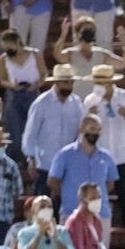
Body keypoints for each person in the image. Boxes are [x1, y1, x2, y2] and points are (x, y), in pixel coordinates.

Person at [82, 64, 125, 231]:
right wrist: (89, 115)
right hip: (98, 158)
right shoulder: (90, 101)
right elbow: (83, 130)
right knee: (95, 198)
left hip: (122, 156)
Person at [48, 114, 119, 237]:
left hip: (101, 214)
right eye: (92, 129)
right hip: (71, 212)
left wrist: (93, 196)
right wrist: (68, 194)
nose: (95, 133)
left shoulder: (106, 156)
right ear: (81, 129)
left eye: (98, 130)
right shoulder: (65, 154)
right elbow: (53, 181)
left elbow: (110, 183)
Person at [22, 64, 85, 197]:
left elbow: (79, 132)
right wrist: (31, 158)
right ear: (56, 82)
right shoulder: (42, 103)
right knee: (44, 204)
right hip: (45, 164)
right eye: (65, 82)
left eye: (71, 82)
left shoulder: (76, 103)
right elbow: (30, 133)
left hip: (68, 164)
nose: (68, 86)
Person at [52, 15, 125, 100]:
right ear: (78, 33)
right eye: (85, 30)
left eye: (91, 30)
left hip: (95, 100)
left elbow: (123, 63)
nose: (89, 32)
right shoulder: (71, 53)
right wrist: (63, 34)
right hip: (77, 99)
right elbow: (58, 55)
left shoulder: (101, 53)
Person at [0, 28, 46, 164]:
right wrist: (12, 85)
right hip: (14, 94)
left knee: (32, 127)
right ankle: (16, 162)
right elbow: (3, 79)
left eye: (9, 46)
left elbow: (43, 74)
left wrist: (36, 84)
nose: (7, 50)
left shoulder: (34, 54)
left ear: (18, 42)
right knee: (15, 130)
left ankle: (33, 160)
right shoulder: (4, 59)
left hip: (32, 92)